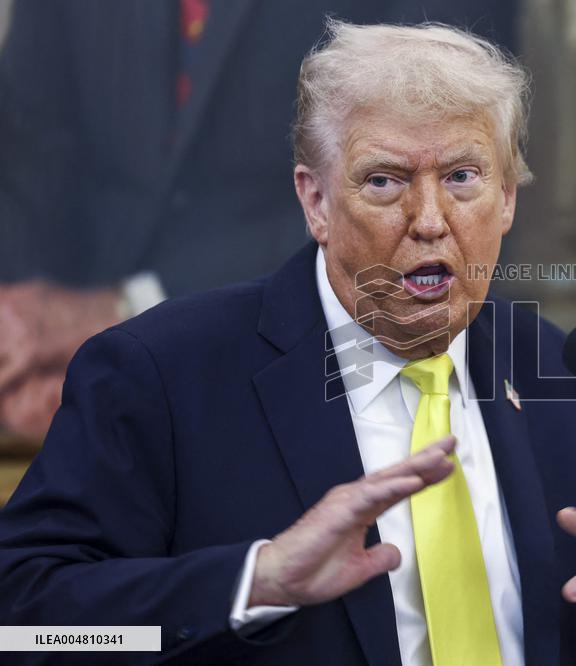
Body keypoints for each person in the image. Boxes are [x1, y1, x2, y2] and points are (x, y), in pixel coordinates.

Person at [0, 21, 576, 665]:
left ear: (508, 198)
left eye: (462, 177)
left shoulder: (549, 369)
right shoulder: (162, 373)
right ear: (315, 200)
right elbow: (25, 629)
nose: (429, 219)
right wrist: (252, 582)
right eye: (385, 181)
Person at [0, 0, 515, 439]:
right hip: (71, 397)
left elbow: (429, 163)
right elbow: (31, 138)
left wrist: (126, 306)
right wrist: (22, 342)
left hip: (329, 379)